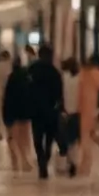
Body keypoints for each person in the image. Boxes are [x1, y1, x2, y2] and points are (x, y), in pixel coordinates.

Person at [28, 45, 63, 179]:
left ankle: (41, 162)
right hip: (50, 110)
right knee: (49, 139)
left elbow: (27, 88)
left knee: (37, 139)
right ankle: (45, 160)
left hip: (35, 110)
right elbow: (59, 94)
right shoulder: (55, 72)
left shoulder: (32, 70)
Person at [2, 54, 32, 173]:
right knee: (24, 137)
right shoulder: (26, 77)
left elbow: (7, 96)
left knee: (13, 137)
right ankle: (25, 160)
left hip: (12, 111)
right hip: (24, 110)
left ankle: (16, 161)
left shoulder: (11, 77)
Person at [78, 53, 99, 178]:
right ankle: (87, 164)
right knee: (90, 136)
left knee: (85, 137)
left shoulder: (83, 73)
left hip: (82, 108)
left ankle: (84, 164)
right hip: (93, 107)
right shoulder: (97, 74)